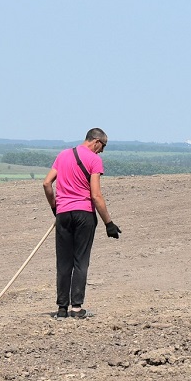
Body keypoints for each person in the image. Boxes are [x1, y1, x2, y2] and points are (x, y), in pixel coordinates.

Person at [42, 128, 121, 319]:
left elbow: (46, 183)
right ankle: (76, 308)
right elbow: (96, 195)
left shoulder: (63, 155)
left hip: (63, 214)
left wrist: (55, 208)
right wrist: (108, 223)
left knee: (63, 262)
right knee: (80, 261)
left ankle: (62, 309)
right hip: (84, 214)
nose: (102, 151)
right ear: (96, 141)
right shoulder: (94, 160)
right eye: (103, 146)